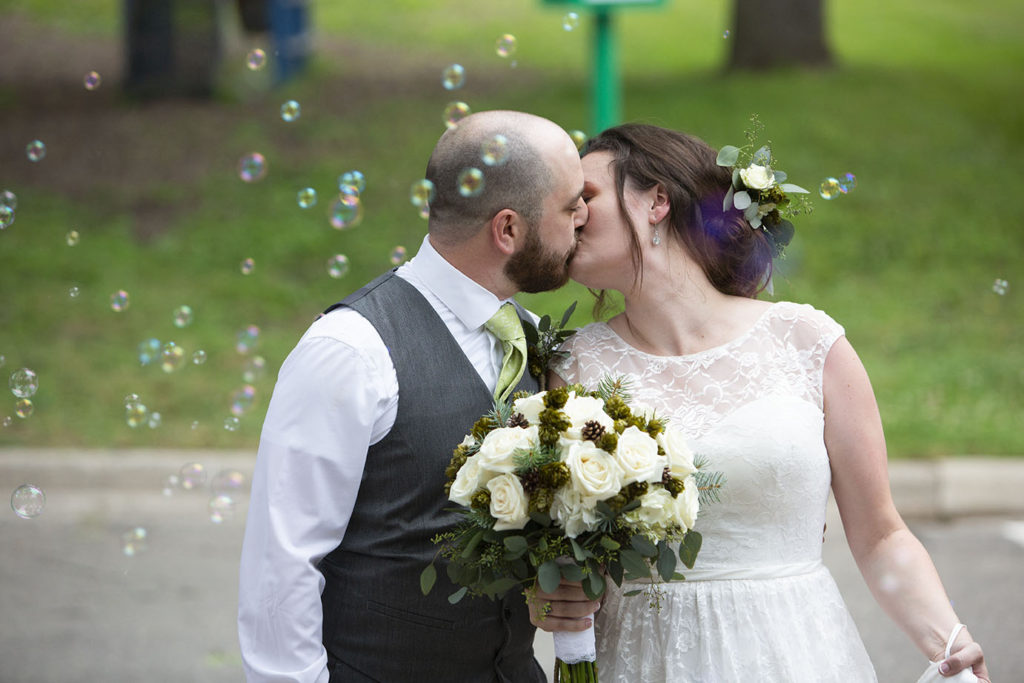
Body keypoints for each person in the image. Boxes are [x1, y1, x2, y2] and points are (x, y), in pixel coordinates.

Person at [544, 123, 990, 682]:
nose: (571, 215)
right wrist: (552, 597)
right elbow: (565, 558)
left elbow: (880, 535)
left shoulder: (805, 341)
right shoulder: (572, 369)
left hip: (793, 653)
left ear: (656, 200)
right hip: (644, 661)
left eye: (585, 197)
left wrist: (949, 640)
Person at [237, 110, 593, 682]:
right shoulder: (351, 350)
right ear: (508, 229)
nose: (585, 216)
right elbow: (282, 562)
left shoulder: (529, 337)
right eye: (571, 203)